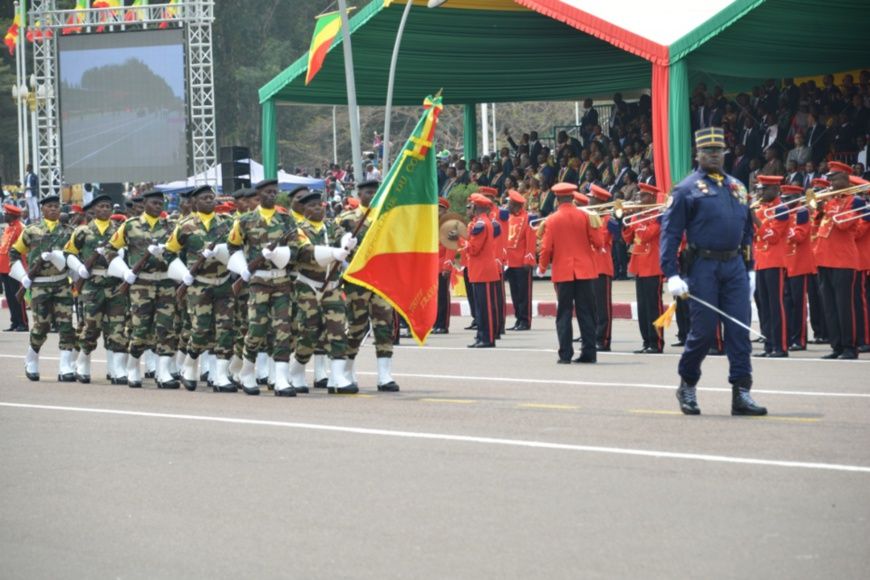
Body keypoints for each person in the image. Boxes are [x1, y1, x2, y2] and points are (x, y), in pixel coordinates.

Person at [660, 127, 767, 416]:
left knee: (739, 331)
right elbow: (670, 234)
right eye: (708, 152)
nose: (714, 156)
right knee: (704, 332)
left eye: (719, 151)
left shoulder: (737, 187)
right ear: (698, 154)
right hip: (702, 265)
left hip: (734, 266)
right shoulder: (686, 189)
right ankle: (688, 385)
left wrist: (750, 268)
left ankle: (742, 392)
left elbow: (746, 230)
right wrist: (671, 274)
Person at [165, 185, 236, 392]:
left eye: (211, 198)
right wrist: (183, 273)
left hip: (223, 283)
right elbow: (169, 253)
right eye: (204, 198)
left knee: (225, 329)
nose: (209, 201)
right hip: (199, 285)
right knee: (200, 329)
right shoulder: (185, 226)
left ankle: (221, 375)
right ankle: (188, 366)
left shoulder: (228, 223)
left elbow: (239, 246)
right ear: (195, 203)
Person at [107, 189, 179, 388]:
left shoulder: (171, 226)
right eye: (155, 203)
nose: (158, 206)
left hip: (165, 283)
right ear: (145, 203)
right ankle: (132, 367)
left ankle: (163, 373)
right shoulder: (130, 226)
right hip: (141, 284)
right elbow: (110, 251)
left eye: (161, 203)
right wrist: (124, 272)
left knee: (166, 328)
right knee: (140, 328)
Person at [338, 180, 401, 391]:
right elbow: (337, 249)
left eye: (376, 192)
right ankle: (347, 370)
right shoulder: (347, 219)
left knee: (384, 326)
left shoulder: (387, 218)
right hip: (357, 281)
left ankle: (385, 375)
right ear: (359, 194)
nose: (372, 196)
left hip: (381, 280)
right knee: (356, 326)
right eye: (368, 192)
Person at [10, 194, 76, 382]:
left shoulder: (68, 231)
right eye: (50, 207)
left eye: (57, 206)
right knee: (42, 326)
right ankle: (31, 359)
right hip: (40, 285)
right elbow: (14, 252)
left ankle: (65, 366)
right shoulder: (31, 231)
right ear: (42, 210)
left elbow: (74, 256)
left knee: (66, 326)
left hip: (62, 284)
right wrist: (22, 277)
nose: (54, 209)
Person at [63, 194, 127, 384]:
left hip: (114, 284)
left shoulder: (119, 230)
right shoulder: (83, 231)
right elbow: (69, 252)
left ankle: (118, 370)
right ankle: (83, 364)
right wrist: (80, 268)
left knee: (117, 328)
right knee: (91, 327)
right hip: (92, 286)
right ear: (94, 210)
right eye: (101, 207)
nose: (105, 209)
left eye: (108, 206)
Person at [538, 182, 600, 364]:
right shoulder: (586, 216)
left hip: (563, 272)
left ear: (557, 199)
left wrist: (542, 267)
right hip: (585, 270)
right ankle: (589, 353)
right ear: (573, 198)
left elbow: (546, 248)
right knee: (586, 312)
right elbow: (598, 242)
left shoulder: (551, 220)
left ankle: (565, 354)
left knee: (564, 313)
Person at [814, 162, 865, 359]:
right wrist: (818, 210)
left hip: (844, 259)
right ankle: (836, 346)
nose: (831, 182)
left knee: (845, 306)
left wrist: (829, 208)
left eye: (834, 178)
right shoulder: (830, 201)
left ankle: (849, 347)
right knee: (830, 305)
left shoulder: (856, 201)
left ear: (845, 178)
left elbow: (844, 224)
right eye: (830, 178)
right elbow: (820, 227)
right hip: (824, 257)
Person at [752, 175, 791, 358]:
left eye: (763, 189)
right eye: (759, 189)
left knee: (776, 305)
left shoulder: (781, 209)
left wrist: (754, 218)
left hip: (775, 261)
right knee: (764, 305)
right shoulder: (761, 208)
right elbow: (754, 234)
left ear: (775, 190)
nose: (759, 192)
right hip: (761, 261)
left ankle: (780, 346)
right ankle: (768, 345)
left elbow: (773, 236)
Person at [622, 183, 664, 353]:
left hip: (653, 264)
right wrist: (624, 223)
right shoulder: (636, 216)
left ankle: (656, 342)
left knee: (654, 306)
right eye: (639, 196)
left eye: (644, 196)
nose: (640, 199)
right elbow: (627, 239)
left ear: (652, 198)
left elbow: (647, 235)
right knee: (643, 306)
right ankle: (646, 340)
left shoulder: (659, 215)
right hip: (639, 264)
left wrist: (636, 223)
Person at [461, 193, 500, 348]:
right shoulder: (481, 223)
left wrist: (462, 240)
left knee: (485, 308)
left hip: (483, 270)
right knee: (480, 306)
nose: (470, 209)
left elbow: (474, 249)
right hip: (480, 270)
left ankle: (488, 338)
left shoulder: (481, 225)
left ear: (477, 207)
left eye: (471, 206)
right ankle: (481, 335)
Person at [501, 189, 536, 330]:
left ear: (516, 205)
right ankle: (518, 319)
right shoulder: (507, 218)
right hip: (509, 261)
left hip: (522, 262)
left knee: (524, 293)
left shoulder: (529, 218)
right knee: (515, 293)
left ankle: (525, 320)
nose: (507, 206)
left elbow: (531, 241)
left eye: (509, 204)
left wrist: (529, 259)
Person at [0, 203, 28, 331]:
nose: (4, 215)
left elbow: (24, 249)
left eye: (6, 214)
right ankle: (15, 322)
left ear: (12, 215)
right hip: (4, 267)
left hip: (15, 267)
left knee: (18, 296)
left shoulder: (21, 228)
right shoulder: (8, 228)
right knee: (10, 297)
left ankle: (23, 322)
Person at [433, 197, 455, 334]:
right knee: (433, 297)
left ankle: (443, 324)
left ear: (446, 210)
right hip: (432, 265)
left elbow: (451, 247)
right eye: (436, 208)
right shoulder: (431, 224)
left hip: (442, 264)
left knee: (442, 296)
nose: (437, 211)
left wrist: (447, 265)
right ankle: (435, 322)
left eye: (440, 209)